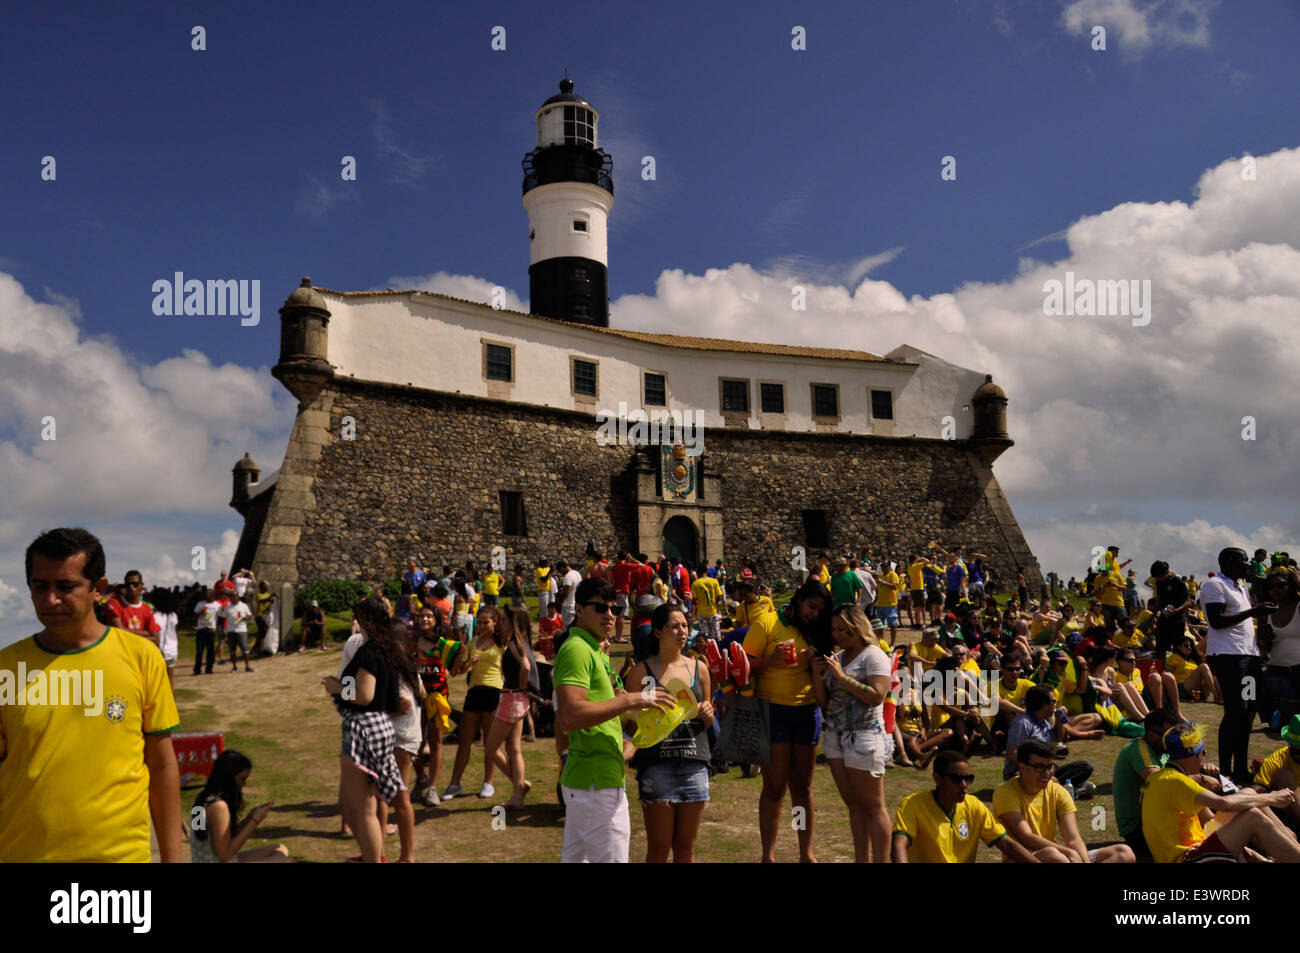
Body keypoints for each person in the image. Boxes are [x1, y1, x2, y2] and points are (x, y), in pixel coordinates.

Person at [1, 527, 181, 862]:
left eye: (66, 587)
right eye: (40, 587)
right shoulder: (6, 668)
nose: (51, 599)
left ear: (98, 589)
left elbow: (162, 765)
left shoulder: (140, 657)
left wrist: (174, 858)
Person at [555, 578, 674, 863]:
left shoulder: (594, 649)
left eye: (615, 608)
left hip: (592, 777)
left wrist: (644, 713)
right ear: (579, 609)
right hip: (595, 781)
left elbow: (606, 711)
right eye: (600, 607)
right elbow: (570, 716)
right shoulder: (577, 650)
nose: (610, 614)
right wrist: (631, 700)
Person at [743, 578, 832, 863]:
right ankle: (768, 855)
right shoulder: (767, 623)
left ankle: (805, 852)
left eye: (819, 610)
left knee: (802, 788)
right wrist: (770, 661)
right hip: (773, 711)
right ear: (799, 599)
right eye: (811, 606)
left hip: (807, 712)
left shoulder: (817, 630)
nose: (814, 614)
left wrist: (817, 658)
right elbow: (741, 665)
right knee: (774, 787)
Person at [625, 604, 715, 862]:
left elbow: (708, 719)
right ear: (657, 632)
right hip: (657, 767)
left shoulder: (700, 669)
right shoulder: (642, 672)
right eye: (674, 626)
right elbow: (631, 727)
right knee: (659, 847)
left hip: (695, 765)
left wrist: (707, 714)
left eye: (685, 625)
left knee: (686, 847)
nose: (682, 631)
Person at [322, 597, 408, 863]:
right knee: (358, 805)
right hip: (379, 725)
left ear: (368, 620)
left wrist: (336, 687)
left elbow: (364, 694)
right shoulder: (387, 649)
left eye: (358, 617)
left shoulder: (370, 651)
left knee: (363, 808)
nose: (356, 623)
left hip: (363, 727)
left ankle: (372, 858)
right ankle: (371, 856)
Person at [1141, 722, 1300, 863]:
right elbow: (1223, 803)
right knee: (1253, 815)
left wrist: (1247, 852)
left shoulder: (1163, 778)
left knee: (1250, 795)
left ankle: (1292, 842)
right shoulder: (1176, 781)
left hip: (1193, 852)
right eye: (1203, 753)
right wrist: (1272, 797)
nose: (1203, 758)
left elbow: (1212, 822)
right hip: (1188, 858)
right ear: (1194, 755)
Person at [809, 604, 892, 862]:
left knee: (874, 807)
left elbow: (878, 696)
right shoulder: (838, 657)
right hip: (835, 736)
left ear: (858, 626)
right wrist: (815, 670)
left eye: (843, 629)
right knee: (854, 805)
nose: (838, 635)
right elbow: (825, 702)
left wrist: (842, 677)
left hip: (865, 733)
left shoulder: (873, 655)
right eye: (834, 630)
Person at [995, 739, 1134, 863]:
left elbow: (1073, 839)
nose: (1047, 773)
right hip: (1026, 858)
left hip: (1058, 855)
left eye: (1050, 767)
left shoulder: (1058, 791)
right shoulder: (1006, 792)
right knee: (1054, 855)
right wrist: (1067, 852)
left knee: (1123, 853)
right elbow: (1025, 836)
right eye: (1039, 767)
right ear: (1022, 767)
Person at [892, 750, 1037, 863]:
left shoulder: (973, 805)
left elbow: (1007, 845)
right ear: (937, 778)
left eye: (968, 779)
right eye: (957, 779)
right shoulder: (914, 804)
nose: (964, 785)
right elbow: (899, 844)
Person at [1198, 550, 1269, 774]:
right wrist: (1253, 612)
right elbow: (1217, 621)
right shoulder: (1215, 584)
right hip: (1229, 657)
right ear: (1229, 562)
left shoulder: (1240, 586)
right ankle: (1227, 770)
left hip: (1248, 657)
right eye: (1243, 560)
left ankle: (1240, 767)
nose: (1247, 564)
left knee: (1247, 710)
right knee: (1235, 710)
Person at [444, 605, 506, 799]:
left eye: (486, 622)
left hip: (494, 692)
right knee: (464, 740)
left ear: (495, 622)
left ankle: (488, 782)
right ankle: (455, 783)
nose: (482, 626)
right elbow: (459, 671)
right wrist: (468, 664)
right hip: (474, 692)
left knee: (490, 743)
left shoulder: (502, 644)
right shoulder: (472, 642)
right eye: (479, 622)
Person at [190, 750, 291, 863]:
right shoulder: (218, 806)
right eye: (242, 779)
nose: (244, 784)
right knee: (285, 861)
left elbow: (224, 839)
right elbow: (225, 855)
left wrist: (249, 817)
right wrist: (254, 820)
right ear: (229, 778)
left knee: (280, 849)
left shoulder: (204, 798)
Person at [483, 606, 536, 809]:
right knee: (514, 749)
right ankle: (518, 796)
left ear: (512, 622)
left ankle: (519, 786)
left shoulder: (514, 642)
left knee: (490, 749)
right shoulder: (522, 642)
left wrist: (521, 685)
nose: (501, 623)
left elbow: (526, 666)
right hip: (519, 699)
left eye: (504, 620)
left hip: (511, 698)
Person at [1005, 686, 1096, 796]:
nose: (1055, 704)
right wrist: (1039, 771)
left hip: (1044, 769)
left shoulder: (1044, 723)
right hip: (1024, 771)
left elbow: (1058, 741)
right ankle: (1067, 790)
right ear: (1044, 705)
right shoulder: (1022, 723)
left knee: (1085, 766)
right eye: (1053, 701)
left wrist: (1059, 720)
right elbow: (1013, 753)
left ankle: (1060, 789)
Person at [1250, 715, 1300, 833]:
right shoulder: (1277, 761)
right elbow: (1257, 790)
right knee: (1284, 774)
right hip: (1292, 813)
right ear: (1289, 744)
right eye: (1296, 751)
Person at [1264, 571, 1300, 725]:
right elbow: (1264, 648)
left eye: (1281, 585)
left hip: (1298, 670)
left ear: (1291, 587)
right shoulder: (1265, 611)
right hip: (1276, 672)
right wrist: (1265, 641)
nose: (1275, 590)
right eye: (1271, 587)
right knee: (1285, 725)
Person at [106, 569, 161, 647]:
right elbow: (119, 632)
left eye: (135, 584)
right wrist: (146, 633)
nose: (131, 587)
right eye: (128, 584)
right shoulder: (115, 603)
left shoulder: (147, 609)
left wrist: (128, 633)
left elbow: (156, 640)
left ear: (141, 585)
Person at [1166, 635, 1221, 704]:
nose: (1189, 647)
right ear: (1179, 647)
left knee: (1213, 675)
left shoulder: (1193, 659)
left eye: (1191, 645)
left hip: (1197, 689)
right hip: (1182, 688)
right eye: (1185, 645)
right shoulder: (1173, 658)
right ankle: (1216, 696)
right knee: (1203, 666)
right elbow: (1168, 676)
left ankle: (1221, 696)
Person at [221, 594, 255, 673]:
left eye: (235, 596)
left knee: (245, 649)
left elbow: (249, 616)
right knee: (232, 650)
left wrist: (244, 618)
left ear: (238, 597)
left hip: (242, 630)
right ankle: (234, 667)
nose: (234, 598)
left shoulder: (244, 606)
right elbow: (223, 619)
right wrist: (222, 631)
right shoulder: (227, 608)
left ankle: (247, 666)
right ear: (230, 598)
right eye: (232, 597)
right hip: (231, 631)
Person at [193, 587, 222, 674]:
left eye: (209, 595)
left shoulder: (217, 605)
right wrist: (201, 613)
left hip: (211, 630)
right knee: (199, 651)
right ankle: (197, 669)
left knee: (210, 651)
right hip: (201, 629)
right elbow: (195, 616)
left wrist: (216, 628)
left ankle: (209, 669)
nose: (207, 597)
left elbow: (219, 618)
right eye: (206, 595)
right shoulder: (200, 604)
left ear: (213, 595)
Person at [691, 568, 724, 643]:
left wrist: (693, 614)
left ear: (698, 573)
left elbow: (694, 601)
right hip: (713, 612)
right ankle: (720, 651)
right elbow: (719, 597)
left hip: (701, 614)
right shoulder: (714, 581)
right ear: (706, 572)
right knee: (717, 635)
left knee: (706, 637)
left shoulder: (695, 583)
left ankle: (708, 653)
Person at [871, 559, 900, 643]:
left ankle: (892, 644)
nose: (883, 567)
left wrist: (883, 582)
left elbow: (895, 587)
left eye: (884, 566)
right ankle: (881, 642)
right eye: (881, 566)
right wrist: (875, 601)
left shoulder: (893, 574)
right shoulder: (881, 575)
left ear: (889, 566)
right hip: (880, 604)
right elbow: (878, 590)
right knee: (879, 626)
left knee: (892, 625)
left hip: (890, 604)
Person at [557, 560, 583, 629]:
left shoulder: (568, 576)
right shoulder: (577, 574)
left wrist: (559, 596)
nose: (561, 574)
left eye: (560, 571)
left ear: (562, 568)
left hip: (568, 606)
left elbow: (566, 593)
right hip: (576, 604)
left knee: (567, 628)